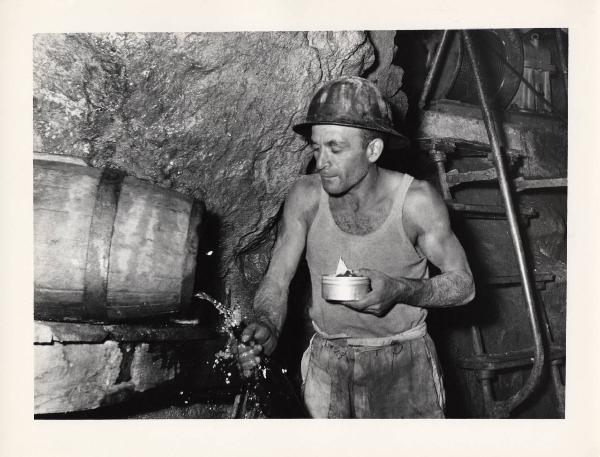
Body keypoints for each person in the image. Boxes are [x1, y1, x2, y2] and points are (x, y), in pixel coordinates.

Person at [237, 76, 475, 418]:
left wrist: (400, 290)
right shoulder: (304, 197)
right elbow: (277, 279)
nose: (321, 162)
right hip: (327, 364)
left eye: (336, 148)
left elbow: (464, 285)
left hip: (402, 364)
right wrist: (267, 323)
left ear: (373, 149)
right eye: (316, 147)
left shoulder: (416, 202)